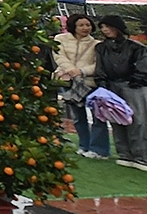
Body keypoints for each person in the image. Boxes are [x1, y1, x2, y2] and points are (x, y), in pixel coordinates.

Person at [94, 15, 147, 170]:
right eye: (103, 27)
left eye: (108, 26)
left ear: (118, 28)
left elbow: (143, 65)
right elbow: (100, 67)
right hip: (110, 86)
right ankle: (124, 154)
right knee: (116, 118)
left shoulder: (136, 47)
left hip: (133, 85)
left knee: (138, 120)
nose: (105, 30)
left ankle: (141, 156)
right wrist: (102, 84)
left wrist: (136, 80)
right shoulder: (101, 48)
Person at [55, 14, 109, 159]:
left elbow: (98, 64)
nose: (85, 28)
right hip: (69, 81)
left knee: (99, 116)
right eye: (81, 25)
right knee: (78, 116)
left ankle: (99, 149)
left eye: (88, 25)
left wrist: (82, 72)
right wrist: (71, 71)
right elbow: (59, 57)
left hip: (90, 83)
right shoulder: (60, 39)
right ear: (73, 26)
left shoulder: (97, 44)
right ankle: (84, 145)